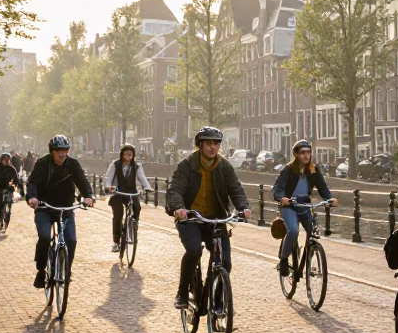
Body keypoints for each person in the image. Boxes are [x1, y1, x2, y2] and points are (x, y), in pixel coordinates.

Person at [166, 127, 252, 310]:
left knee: (225, 262)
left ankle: (218, 302)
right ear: (200, 145)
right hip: (191, 219)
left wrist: (243, 207)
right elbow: (176, 189)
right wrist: (179, 208)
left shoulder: (224, 166)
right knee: (194, 250)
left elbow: (235, 188)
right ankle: (182, 291)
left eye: (216, 143)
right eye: (209, 143)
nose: (213, 147)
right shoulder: (187, 165)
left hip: (215, 219)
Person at [27, 135, 95, 288]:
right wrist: (32, 197)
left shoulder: (73, 164)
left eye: (65, 150)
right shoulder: (42, 164)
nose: (62, 154)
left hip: (65, 208)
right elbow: (33, 183)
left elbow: (82, 181)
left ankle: (67, 271)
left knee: (71, 240)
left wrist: (88, 196)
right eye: (58, 151)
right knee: (45, 237)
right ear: (52, 151)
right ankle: (41, 269)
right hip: (44, 207)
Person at [273, 139, 337, 277]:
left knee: (313, 232)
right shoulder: (288, 169)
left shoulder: (313, 169)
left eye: (308, 152)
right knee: (294, 230)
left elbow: (322, 187)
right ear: (296, 154)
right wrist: (282, 198)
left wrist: (328, 199)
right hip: (289, 205)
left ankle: (309, 258)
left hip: (305, 205)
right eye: (302, 153)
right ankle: (284, 259)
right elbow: (277, 188)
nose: (306, 156)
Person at [103, 144, 151, 252]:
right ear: (122, 155)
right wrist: (108, 186)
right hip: (118, 192)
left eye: (130, 155)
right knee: (118, 215)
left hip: (131, 192)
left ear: (133, 155)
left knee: (137, 208)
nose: (127, 157)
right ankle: (116, 242)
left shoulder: (137, 166)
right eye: (125, 154)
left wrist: (147, 187)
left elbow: (142, 177)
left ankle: (133, 226)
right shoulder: (115, 164)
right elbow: (109, 176)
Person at [0, 152, 21, 227]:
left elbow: (16, 179)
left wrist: (17, 185)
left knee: (9, 201)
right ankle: (0, 216)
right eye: (5, 159)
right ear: (1, 159)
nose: (6, 161)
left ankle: (7, 215)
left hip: (8, 187)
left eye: (8, 159)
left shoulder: (12, 168)